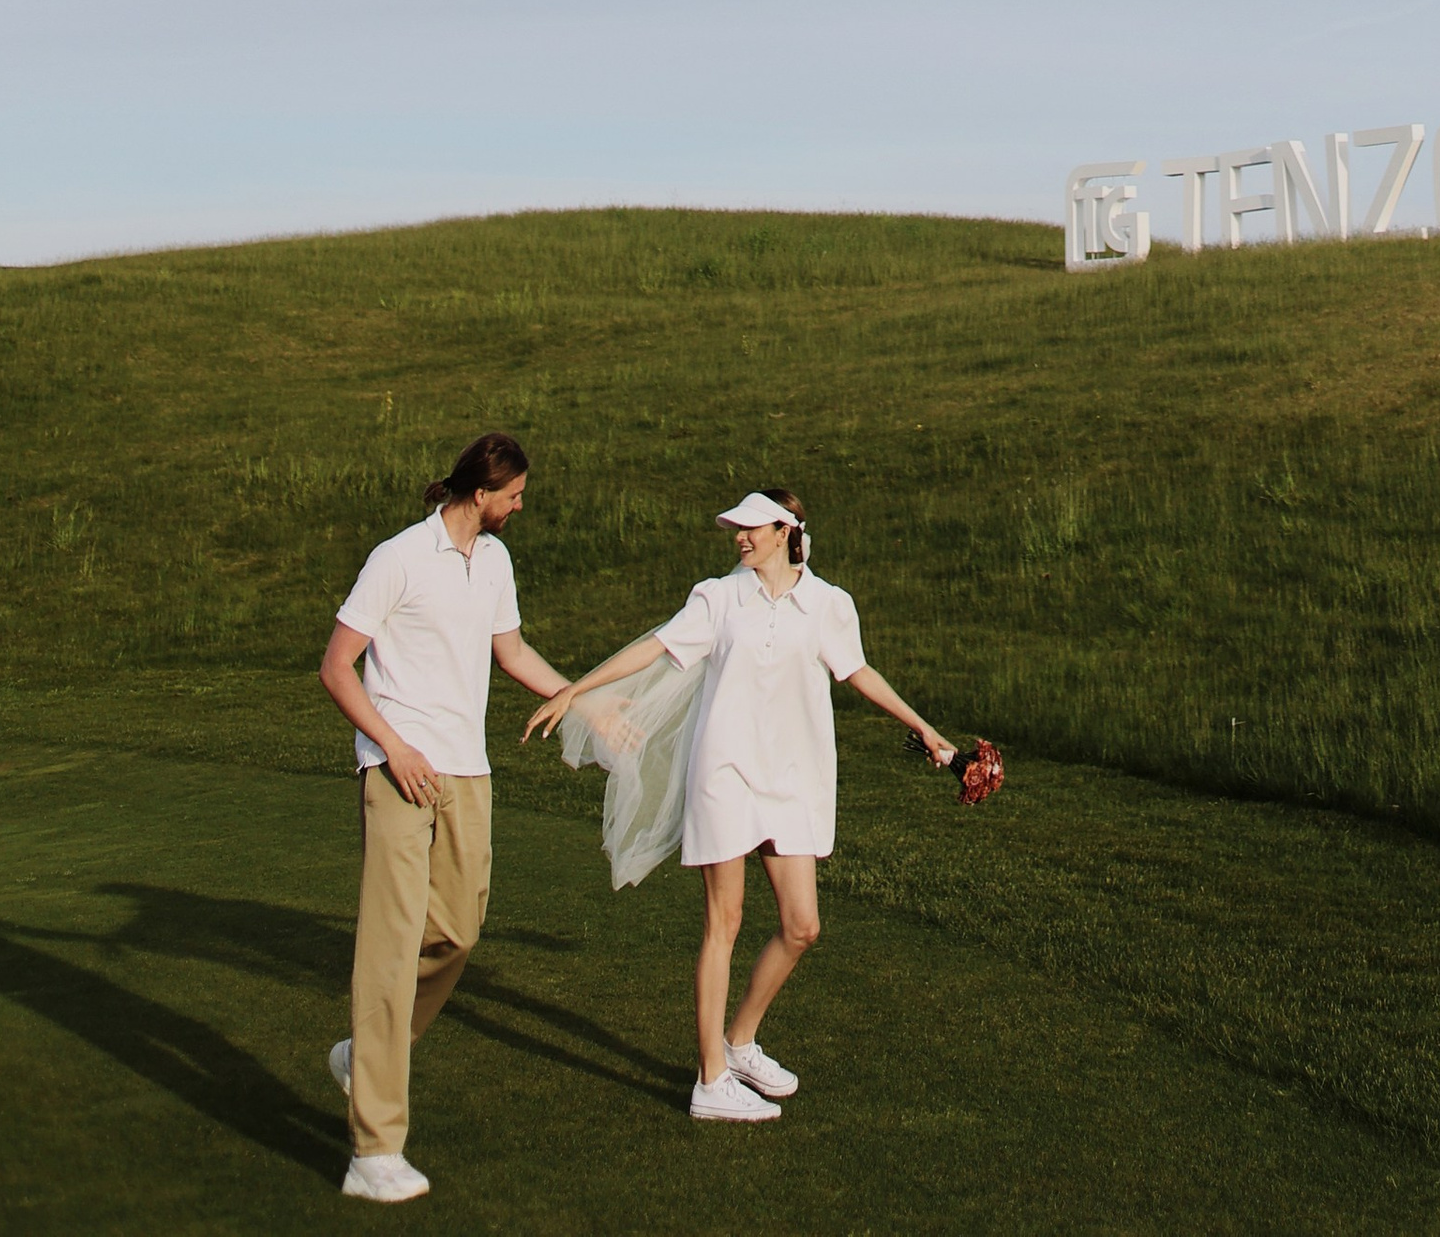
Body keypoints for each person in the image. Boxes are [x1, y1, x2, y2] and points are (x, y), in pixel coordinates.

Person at [528, 488, 960, 1121]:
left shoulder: (827, 605)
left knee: (802, 925)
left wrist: (924, 728)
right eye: (735, 528)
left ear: (786, 531)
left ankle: (739, 1044)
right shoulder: (718, 598)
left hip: (791, 779)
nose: (739, 536)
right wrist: (576, 690)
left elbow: (858, 671)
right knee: (723, 924)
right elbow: (652, 647)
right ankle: (709, 1082)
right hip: (723, 775)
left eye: (750, 528)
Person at [318, 433, 575, 1204]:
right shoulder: (397, 557)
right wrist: (391, 747)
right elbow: (337, 665)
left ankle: (365, 1053)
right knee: (390, 947)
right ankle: (375, 1149)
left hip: (468, 768)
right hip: (399, 768)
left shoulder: (493, 562)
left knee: (460, 929)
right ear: (482, 492)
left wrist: (579, 696)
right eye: (515, 495)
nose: (521, 507)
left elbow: (513, 652)